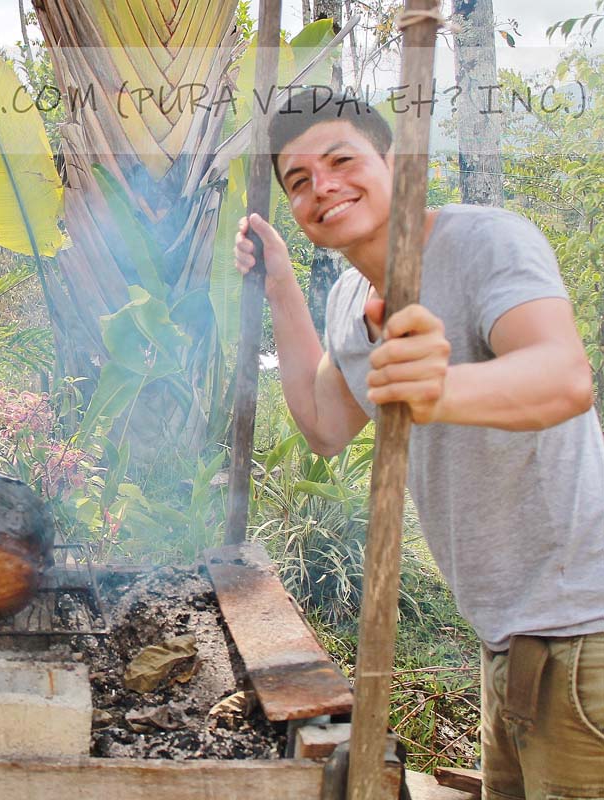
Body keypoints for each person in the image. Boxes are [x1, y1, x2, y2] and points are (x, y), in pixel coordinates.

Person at [233, 93, 604, 798]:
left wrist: (439, 392)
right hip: (508, 642)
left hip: (585, 632)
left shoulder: (484, 241)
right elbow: (324, 428)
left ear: (395, 165)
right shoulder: (349, 297)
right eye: (299, 181)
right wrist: (280, 286)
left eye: (341, 161)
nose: (323, 187)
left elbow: (563, 379)